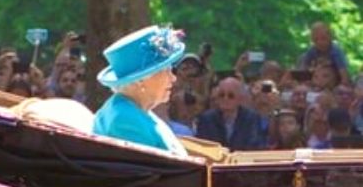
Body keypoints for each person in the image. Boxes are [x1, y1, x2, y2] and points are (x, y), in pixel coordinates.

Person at [92, 24, 189, 156]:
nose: (173, 78)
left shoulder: (134, 111)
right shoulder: (125, 120)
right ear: (140, 80)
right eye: (165, 70)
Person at [196, 76, 267, 150]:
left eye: (231, 96)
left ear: (240, 99)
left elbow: (255, 145)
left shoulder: (251, 118)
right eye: (221, 95)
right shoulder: (206, 119)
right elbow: (202, 147)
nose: (225, 98)